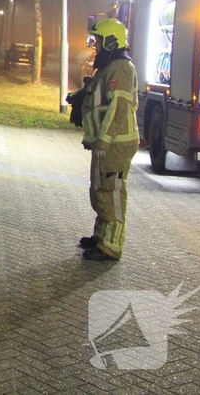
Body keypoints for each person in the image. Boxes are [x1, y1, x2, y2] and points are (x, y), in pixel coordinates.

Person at [78, 18, 139, 262]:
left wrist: (102, 140)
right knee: (100, 188)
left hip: (115, 144)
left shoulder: (121, 68)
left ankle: (111, 246)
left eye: (99, 42)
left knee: (111, 191)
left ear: (112, 42)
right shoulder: (110, 66)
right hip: (106, 142)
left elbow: (118, 107)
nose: (96, 47)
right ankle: (102, 237)